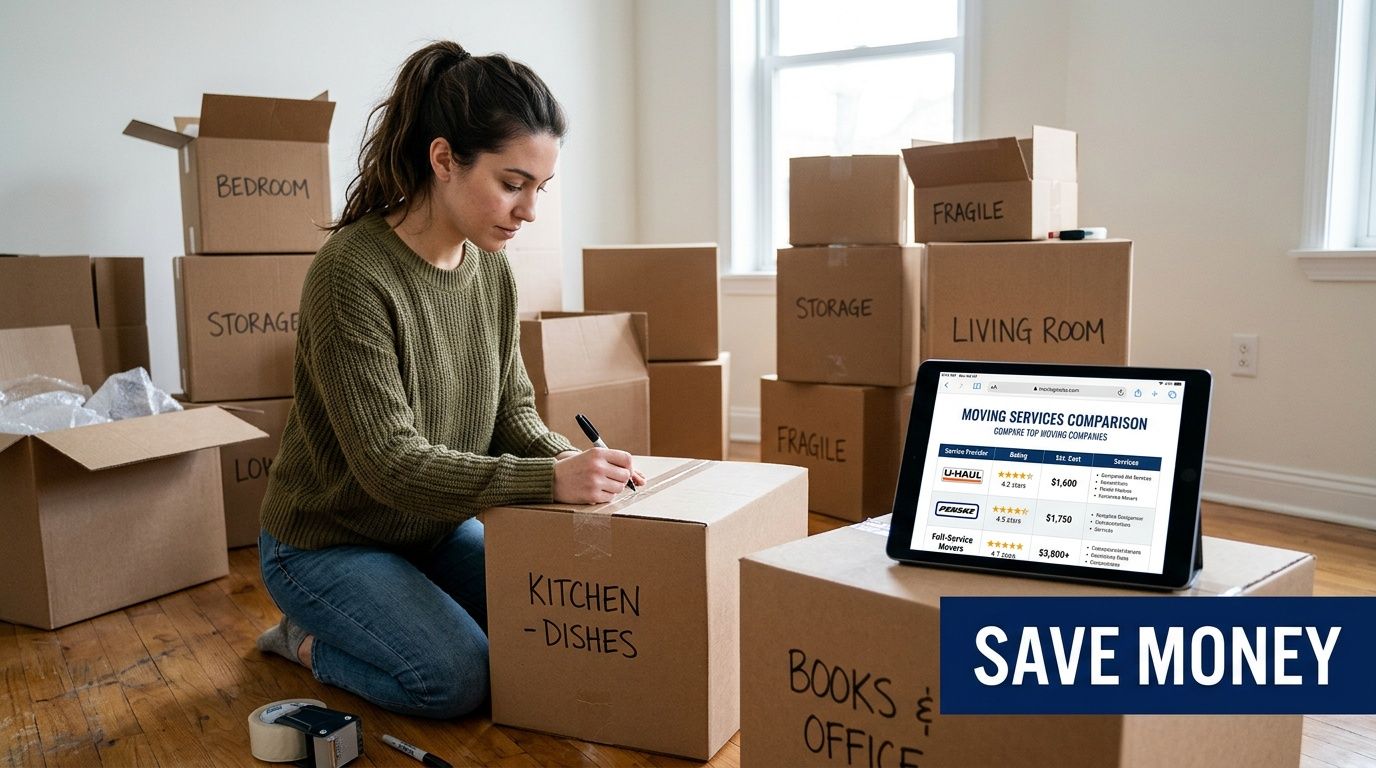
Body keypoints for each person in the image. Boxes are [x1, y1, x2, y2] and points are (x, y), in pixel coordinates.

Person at [254, 40, 644, 719]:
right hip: (326, 543)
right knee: (459, 680)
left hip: (430, 532)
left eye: (540, 188)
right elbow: (388, 465)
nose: (529, 211)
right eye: (512, 184)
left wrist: (578, 465)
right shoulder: (351, 275)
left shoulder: (491, 269)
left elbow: (512, 416)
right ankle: (305, 641)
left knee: (541, 631)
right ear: (443, 160)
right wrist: (549, 481)